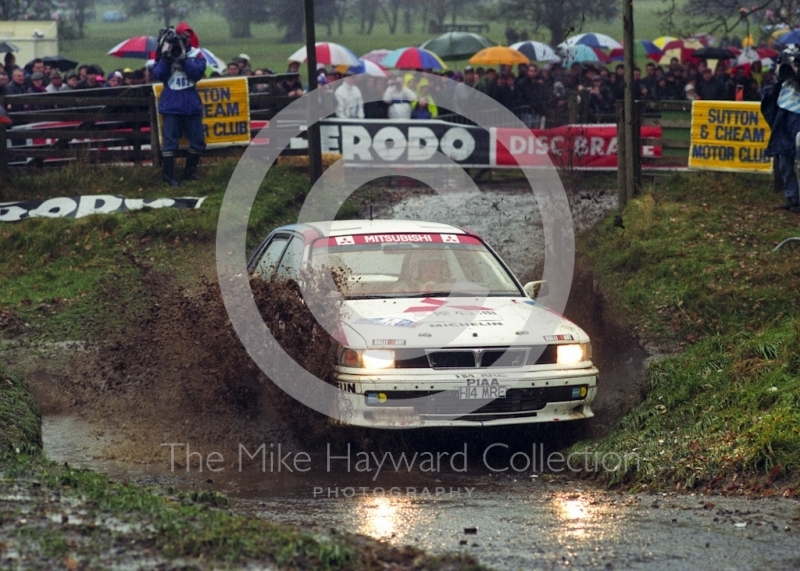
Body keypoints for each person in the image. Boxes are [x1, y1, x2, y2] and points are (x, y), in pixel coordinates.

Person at [153, 21, 207, 187]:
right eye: (184, 36)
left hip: (190, 104)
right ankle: (169, 176)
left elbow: (197, 74)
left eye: (189, 36)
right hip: (171, 104)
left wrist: (184, 60)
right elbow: (158, 74)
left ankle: (189, 172)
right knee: (170, 143)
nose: (186, 39)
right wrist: (166, 58)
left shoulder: (197, 54)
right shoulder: (164, 52)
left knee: (198, 141)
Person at [762, 53, 800, 213]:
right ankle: (794, 200)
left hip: (795, 125)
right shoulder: (782, 81)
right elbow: (768, 100)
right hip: (784, 127)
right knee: (785, 164)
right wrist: (779, 80)